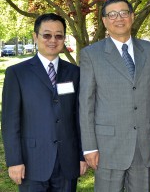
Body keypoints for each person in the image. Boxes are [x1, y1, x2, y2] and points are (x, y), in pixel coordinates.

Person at [79, 0, 150, 192]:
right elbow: (86, 104)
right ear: (104, 21)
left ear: (132, 17)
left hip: (144, 143)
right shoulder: (91, 55)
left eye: (124, 13)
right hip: (108, 146)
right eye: (112, 14)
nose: (119, 18)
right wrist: (90, 146)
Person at [1, 13, 87, 192]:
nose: (52, 40)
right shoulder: (17, 73)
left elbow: (80, 117)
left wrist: (81, 155)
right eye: (46, 35)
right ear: (35, 36)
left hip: (67, 162)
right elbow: (10, 122)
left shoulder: (75, 73)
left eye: (59, 35)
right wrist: (15, 161)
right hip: (32, 162)